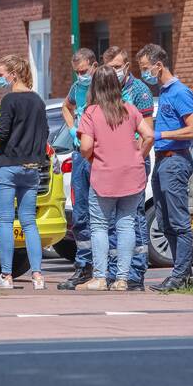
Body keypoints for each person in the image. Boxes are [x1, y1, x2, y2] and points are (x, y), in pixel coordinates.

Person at [77, 67, 154, 291]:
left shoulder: (91, 112)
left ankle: (100, 277)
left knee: (99, 226)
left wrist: (92, 158)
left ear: (95, 86)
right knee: (127, 224)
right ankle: (122, 279)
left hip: (104, 175)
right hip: (132, 174)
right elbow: (149, 135)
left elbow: (86, 147)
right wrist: (139, 155)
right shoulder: (129, 109)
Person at [138, 44, 193, 291]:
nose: (144, 73)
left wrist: (161, 134)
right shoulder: (164, 92)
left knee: (178, 220)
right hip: (162, 160)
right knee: (164, 221)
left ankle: (181, 274)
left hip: (175, 160)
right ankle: (181, 272)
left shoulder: (180, 92)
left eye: (146, 68)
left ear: (159, 65)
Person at [0, 55, 48, 290]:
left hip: (9, 164)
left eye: (2, 74)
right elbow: (44, 132)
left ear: (13, 74)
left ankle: (6, 275)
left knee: (5, 221)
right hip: (32, 167)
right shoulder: (37, 100)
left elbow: (2, 132)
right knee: (29, 222)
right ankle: (38, 275)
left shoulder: (9, 100)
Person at [102, 46, 155, 291]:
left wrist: (137, 158)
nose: (113, 72)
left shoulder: (139, 91)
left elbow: (148, 132)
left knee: (134, 216)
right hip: (113, 163)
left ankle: (135, 271)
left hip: (134, 160)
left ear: (126, 66)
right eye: (109, 67)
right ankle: (117, 272)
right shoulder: (106, 91)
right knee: (113, 220)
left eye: (116, 67)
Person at [58, 48, 98, 291]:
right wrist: (73, 129)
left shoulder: (102, 86)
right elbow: (66, 107)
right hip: (79, 153)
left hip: (98, 154)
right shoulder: (77, 88)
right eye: (77, 72)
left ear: (94, 66)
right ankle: (84, 266)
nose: (81, 75)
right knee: (81, 213)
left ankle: (106, 268)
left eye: (84, 71)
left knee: (102, 212)